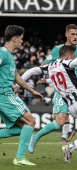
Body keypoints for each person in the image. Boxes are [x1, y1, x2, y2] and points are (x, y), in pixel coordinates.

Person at [26, 24, 77, 159]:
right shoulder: (58, 50)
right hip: (61, 91)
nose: (75, 37)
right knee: (60, 122)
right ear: (66, 35)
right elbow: (44, 66)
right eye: (72, 34)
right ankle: (35, 137)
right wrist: (46, 77)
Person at [0, 25, 43, 166]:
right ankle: (19, 158)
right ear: (14, 38)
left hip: (5, 93)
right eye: (21, 39)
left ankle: (19, 157)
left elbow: (16, 77)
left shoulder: (9, 56)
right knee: (30, 121)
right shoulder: (3, 53)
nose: (22, 42)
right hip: (4, 93)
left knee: (22, 127)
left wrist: (32, 91)